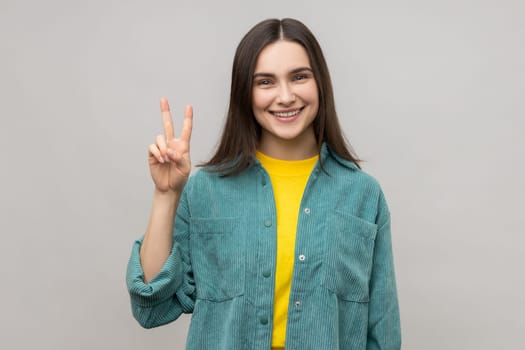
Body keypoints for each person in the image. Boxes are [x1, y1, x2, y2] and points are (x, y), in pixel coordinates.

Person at [126, 18, 401, 350]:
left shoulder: (363, 196)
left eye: (299, 77)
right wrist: (165, 194)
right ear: (245, 92)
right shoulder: (207, 191)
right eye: (266, 82)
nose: (285, 96)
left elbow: (382, 333)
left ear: (320, 84)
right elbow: (152, 305)